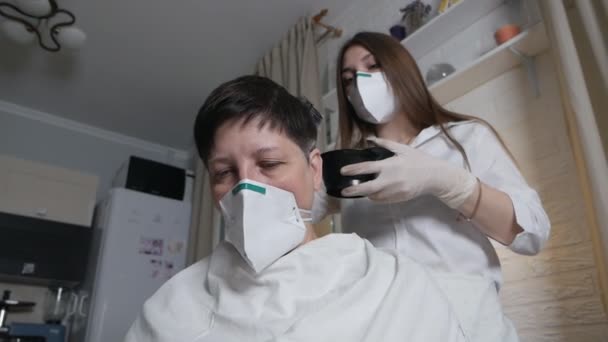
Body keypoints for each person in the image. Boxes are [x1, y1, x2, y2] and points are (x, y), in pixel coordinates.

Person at [124, 76, 517, 342]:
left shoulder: (399, 286)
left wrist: (450, 183)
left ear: (314, 169)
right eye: (224, 172)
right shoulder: (170, 310)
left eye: (270, 164)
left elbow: (528, 228)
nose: (246, 189)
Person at [313, 32, 551, 289]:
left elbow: (533, 234)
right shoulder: (348, 165)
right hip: (385, 321)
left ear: (401, 69)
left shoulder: (467, 137)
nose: (359, 82)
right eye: (348, 79)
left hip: (467, 318)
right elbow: (294, 215)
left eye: (372, 66)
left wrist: (451, 184)